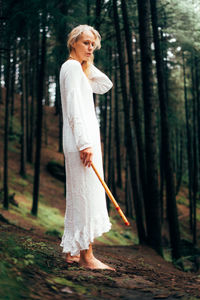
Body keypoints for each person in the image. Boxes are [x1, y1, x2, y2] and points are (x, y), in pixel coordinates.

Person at [59, 24, 115, 270]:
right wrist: (84, 143)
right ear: (73, 43)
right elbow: (73, 108)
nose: (90, 47)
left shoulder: (78, 69)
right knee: (84, 197)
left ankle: (73, 251)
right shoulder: (71, 67)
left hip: (84, 140)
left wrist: (88, 63)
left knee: (79, 195)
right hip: (81, 141)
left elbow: (104, 85)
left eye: (93, 44)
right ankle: (87, 256)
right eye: (85, 43)